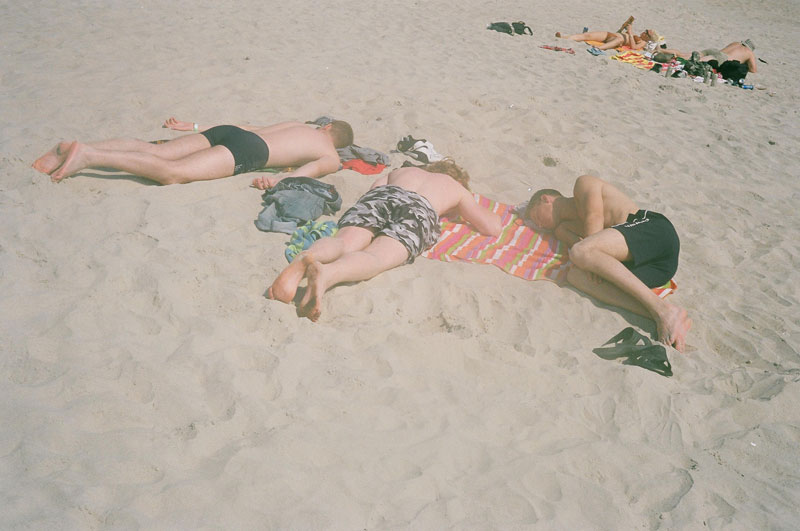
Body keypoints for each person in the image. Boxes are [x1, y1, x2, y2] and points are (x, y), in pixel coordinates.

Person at [269, 160, 503, 321]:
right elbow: (491, 227)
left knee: (344, 243)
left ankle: (310, 256)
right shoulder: (456, 189)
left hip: (384, 196)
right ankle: (327, 274)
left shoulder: (404, 171)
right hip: (419, 210)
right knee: (375, 257)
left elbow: (372, 192)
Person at [525, 175, 691, 351]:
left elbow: (594, 217)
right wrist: (586, 258)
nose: (539, 226)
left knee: (581, 252)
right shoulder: (563, 229)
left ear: (546, 199)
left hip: (654, 233)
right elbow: (587, 255)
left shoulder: (583, 184)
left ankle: (662, 310)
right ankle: (659, 313)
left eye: (536, 217)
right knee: (575, 276)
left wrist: (588, 258)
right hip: (656, 269)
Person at [32, 117, 354, 186]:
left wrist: (196, 126)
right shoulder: (332, 156)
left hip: (232, 132)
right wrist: (279, 181)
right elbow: (309, 172)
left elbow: (249, 126)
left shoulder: (300, 124)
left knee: (155, 151)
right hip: (252, 150)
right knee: (174, 174)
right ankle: (90, 157)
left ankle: (75, 148)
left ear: (326, 126)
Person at [660, 40, 758, 73]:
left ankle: (661, 50)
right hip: (722, 58)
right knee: (697, 61)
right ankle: (672, 61)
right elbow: (753, 70)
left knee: (683, 54)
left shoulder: (735, 43)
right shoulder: (749, 53)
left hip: (715, 51)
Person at [555, 26, 659, 51]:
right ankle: (565, 37)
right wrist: (624, 28)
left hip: (617, 41)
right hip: (611, 35)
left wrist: (630, 33)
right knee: (587, 36)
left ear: (648, 37)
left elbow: (634, 47)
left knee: (619, 40)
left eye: (646, 32)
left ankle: (598, 48)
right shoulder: (637, 36)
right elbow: (619, 32)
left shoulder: (643, 42)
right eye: (645, 30)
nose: (644, 31)